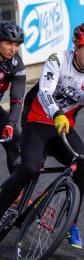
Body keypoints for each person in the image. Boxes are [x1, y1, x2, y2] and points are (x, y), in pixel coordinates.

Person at [0, 23, 84, 249]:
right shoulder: (58, 60)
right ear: (77, 47)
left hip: (61, 129)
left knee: (80, 162)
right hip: (36, 120)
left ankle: (71, 222)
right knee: (30, 168)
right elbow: (44, 91)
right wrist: (57, 113)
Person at [0, 22, 25, 175]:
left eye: (16, 45)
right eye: (8, 43)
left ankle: (16, 194)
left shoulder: (16, 64)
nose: (13, 49)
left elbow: (17, 99)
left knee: (15, 137)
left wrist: (10, 124)